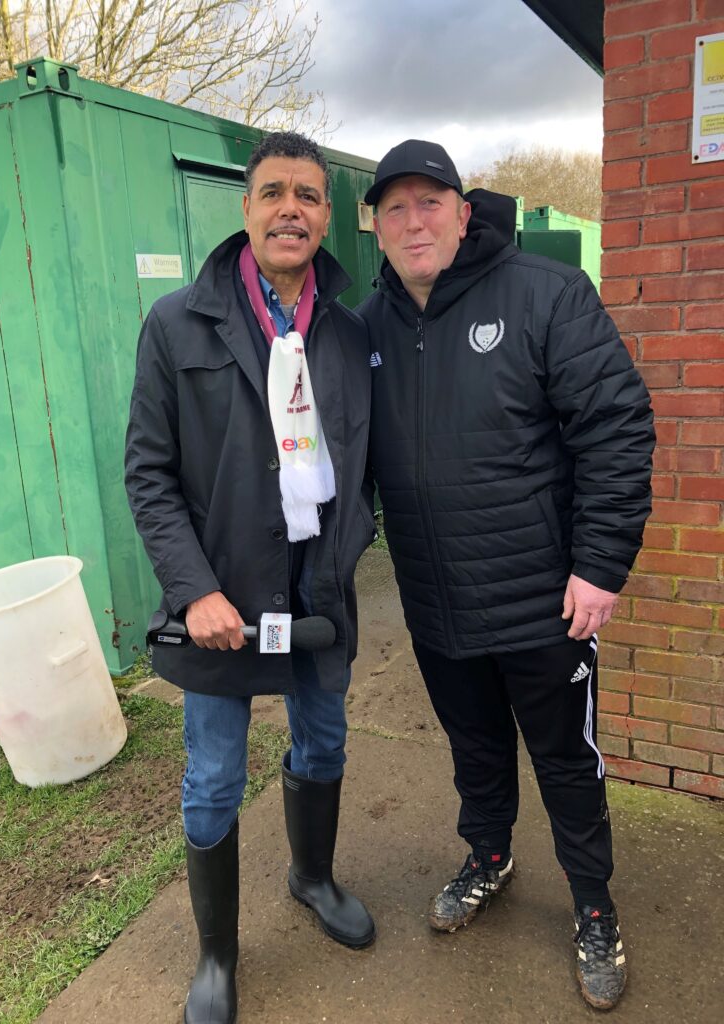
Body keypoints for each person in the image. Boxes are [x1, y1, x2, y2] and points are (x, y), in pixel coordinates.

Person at [358, 139, 655, 1012]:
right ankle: (489, 855)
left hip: (542, 603)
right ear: (375, 225)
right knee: (476, 750)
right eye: (395, 207)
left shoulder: (545, 294)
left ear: (462, 209)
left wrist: (600, 565)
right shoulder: (365, 326)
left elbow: (617, 430)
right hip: (435, 602)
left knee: (566, 761)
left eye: (429, 202)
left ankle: (594, 906)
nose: (414, 221)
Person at [125, 131, 376, 1024]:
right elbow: (148, 474)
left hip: (318, 596)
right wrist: (194, 591)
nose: (292, 211)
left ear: (325, 215)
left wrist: (350, 551)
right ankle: (217, 957)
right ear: (245, 208)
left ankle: (312, 877)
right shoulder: (175, 325)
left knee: (325, 746)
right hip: (221, 601)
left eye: (309, 196)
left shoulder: (348, 331)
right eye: (274, 193)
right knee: (213, 778)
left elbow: (368, 463)